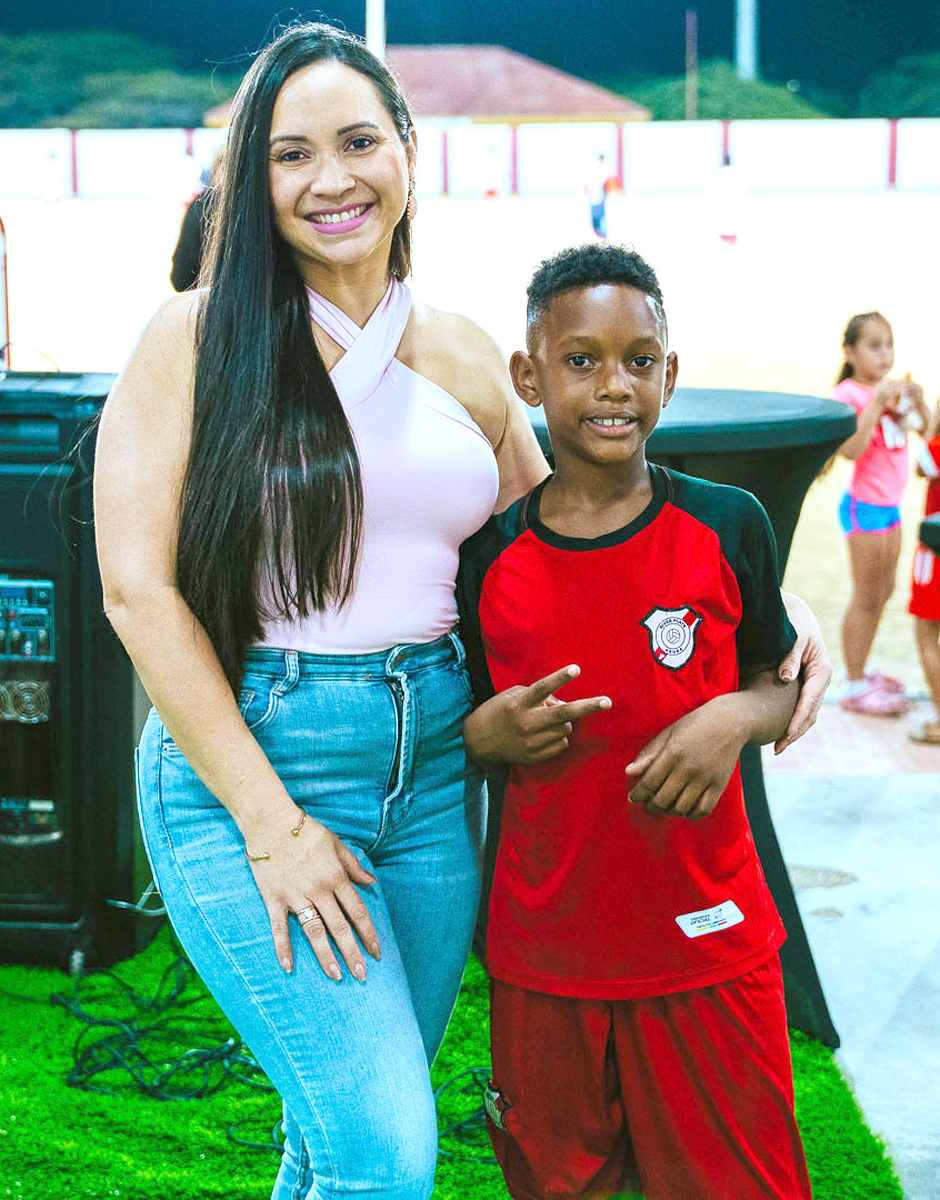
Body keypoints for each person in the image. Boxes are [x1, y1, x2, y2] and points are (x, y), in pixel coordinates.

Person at [94, 23, 828, 1198]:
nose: (330, 179)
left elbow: (577, 537)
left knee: (332, 1142)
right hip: (254, 759)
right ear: (253, 177)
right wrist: (273, 827)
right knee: (383, 1150)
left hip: (439, 773)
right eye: (290, 154)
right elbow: (138, 590)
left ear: (407, 149)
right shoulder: (194, 337)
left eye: (357, 141)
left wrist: (762, 598)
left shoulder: (465, 353)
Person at [457, 243, 812, 1199]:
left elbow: (780, 682)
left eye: (639, 361)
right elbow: (458, 728)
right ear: (529, 375)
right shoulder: (486, 559)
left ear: (670, 374)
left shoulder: (728, 524)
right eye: (581, 361)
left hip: (709, 938)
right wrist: (487, 736)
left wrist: (730, 719)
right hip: (548, 953)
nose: (613, 386)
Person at [831, 313, 929, 715]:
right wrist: (876, 403)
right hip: (865, 507)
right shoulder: (848, 394)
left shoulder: (893, 392)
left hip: (891, 508)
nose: (885, 354)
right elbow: (849, 450)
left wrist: (918, 403)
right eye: (874, 346)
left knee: (883, 592)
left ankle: (860, 669)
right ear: (850, 352)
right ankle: (854, 685)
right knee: (866, 596)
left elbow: (927, 434)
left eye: (889, 345)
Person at [909, 396, 940, 744]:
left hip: (935, 552)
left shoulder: (936, 447)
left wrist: (932, 421)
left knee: (926, 632)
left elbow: (921, 465)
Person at [586, 153, 609, 239]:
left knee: (601, 215)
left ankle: (601, 234)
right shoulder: (594, 170)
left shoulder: (605, 169)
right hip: (594, 197)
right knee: (595, 216)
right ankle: (597, 233)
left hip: (601, 197)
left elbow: (606, 182)